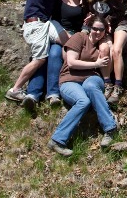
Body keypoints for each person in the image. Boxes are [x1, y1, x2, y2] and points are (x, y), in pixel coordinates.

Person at [47, 15, 117, 156]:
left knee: (91, 86)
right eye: (95, 28)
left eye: (101, 29)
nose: (97, 32)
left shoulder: (103, 46)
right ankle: (57, 140)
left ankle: (110, 129)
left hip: (92, 78)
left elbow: (107, 68)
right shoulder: (79, 37)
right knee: (83, 101)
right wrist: (95, 64)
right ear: (90, 28)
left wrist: (107, 47)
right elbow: (71, 62)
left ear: (105, 31)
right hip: (69, 79)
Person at [5, 0, 69, 103]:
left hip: (47, 23)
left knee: (69, 41)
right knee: (40, 59)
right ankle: (15, 89)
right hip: (35, 23)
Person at [24, 0, 87, 111]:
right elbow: (41, 3)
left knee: (54, 54)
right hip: (55, 34)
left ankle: (53, 94)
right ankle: (32, 94)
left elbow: (86, 23)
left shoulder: (84, 3)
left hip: (72, 40)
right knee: (45, 54)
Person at [83, 0, 127, 105]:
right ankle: (107, 83)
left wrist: (109, 19)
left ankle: (118, 85)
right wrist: (90, 17)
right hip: (102, 27)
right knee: (104, 49)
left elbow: (121, 13)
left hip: (118, 24)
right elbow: (85, 12)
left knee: (116, 50)